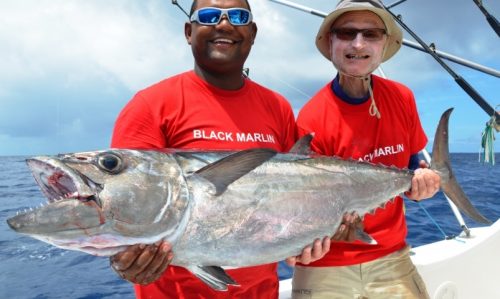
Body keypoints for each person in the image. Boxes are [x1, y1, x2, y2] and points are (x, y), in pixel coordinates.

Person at [109, 0, 330, 298]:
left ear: (252, 33)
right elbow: (126, 206)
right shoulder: (150, 106)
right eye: (210, 16)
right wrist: (123, 261)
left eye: (238, 17)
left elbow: (297, 194)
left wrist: (305, 239)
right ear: (189, 31)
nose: (224, 24)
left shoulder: (277, 106)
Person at [292, 0, 441, 298]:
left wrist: (424, 184)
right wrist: (302, 241)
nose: (358, 43)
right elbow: (309, 209)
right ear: (331, 41)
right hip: (326, 262)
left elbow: (413, 172)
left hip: (390, 256)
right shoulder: (310, 118)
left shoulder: (402, 98)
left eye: (370, 34)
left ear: (384, 43)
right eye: (347, 33)